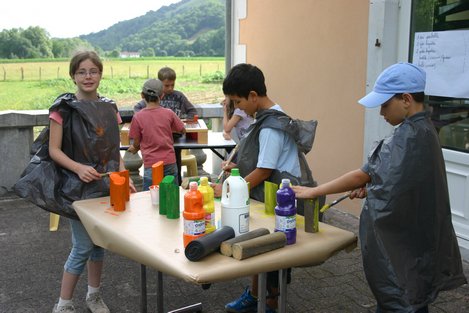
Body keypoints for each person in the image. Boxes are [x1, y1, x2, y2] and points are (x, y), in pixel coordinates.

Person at [292, 63, 467, 313]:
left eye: (385, 104)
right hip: (416, 243)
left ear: (406, 99)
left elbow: (361, 174)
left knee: (401, 299)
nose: (381, 112)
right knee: (414, 298)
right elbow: (402, 181)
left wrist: (314, 191)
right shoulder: (424, 130)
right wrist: (377, 183)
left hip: (401, 249)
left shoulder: (407, 137)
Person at [48, 51, 136, 313]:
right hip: (78, 188)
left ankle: (93, 296)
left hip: (106, 186)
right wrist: (78, 168)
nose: (88, 77)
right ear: (73, 75)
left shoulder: (110, 108)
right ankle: (63, 304)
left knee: (98, 244)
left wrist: (123, 175)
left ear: (101, 74)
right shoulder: (62, 109)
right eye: (82, 72)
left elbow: (113, 150)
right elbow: (54, 150)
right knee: (83, 245)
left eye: (93, 71)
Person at [215, 63, 302, 313]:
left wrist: (231, 190)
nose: (237, 108)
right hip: (267, 196)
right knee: (258, 247)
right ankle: (255, 295)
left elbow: (264, 170)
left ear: (253, 96)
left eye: (238, 102)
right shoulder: (264, 117)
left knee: (270, 253)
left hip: (278, 199)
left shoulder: (271, 126)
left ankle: (271, 303)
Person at [128, 79, 186, 190]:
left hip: (151, 164)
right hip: (170, 161)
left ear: (142, 95)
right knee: (171, 195)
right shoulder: (168, 113)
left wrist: (135, 148)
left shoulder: (138, 117)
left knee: (150, 197)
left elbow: (136, 140)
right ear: (162, 95)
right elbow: (182, 130)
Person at [133, 66, 197, 120]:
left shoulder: (179, 96)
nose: (170, 88)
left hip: (176, 131)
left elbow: (192, 111)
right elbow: (137, 108)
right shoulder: (154, 96)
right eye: (166, 85)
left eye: (172, 85)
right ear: (159, 83)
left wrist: (185, 121)